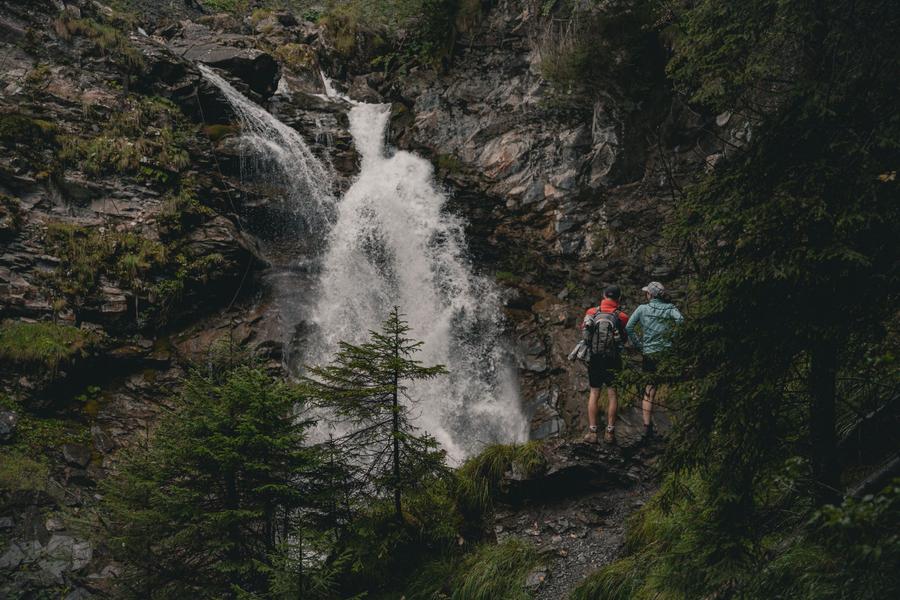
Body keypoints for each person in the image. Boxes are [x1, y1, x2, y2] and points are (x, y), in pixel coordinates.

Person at [626, 281, 683, 439]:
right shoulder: (670, 308)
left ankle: (647, 427)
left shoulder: (642, 309)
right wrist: (671, 339)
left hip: (649, 353)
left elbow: (629, 327)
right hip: (667, 352)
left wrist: (639, 345)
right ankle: (675, 426)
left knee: (649, 389)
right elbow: (681, 322)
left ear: (650, 294)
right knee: (670, 383)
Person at [579, 285, 629, 444]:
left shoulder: (591, 313)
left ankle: (593, 432)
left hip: (595, 358)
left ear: (603, 295)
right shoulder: (622, 316)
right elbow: (624, 339)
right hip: (613, 359)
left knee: (594, 393)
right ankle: (610, 432)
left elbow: (586, 336)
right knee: (612, 394)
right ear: (619, 298)